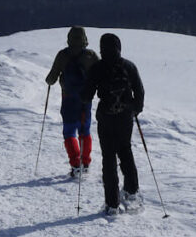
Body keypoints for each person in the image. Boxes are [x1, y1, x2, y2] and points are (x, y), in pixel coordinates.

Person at [82, 33, 144, 215]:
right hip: (125, 117)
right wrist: (135, 109)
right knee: (126, 150)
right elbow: (139, 91)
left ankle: (112, 204)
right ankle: (132, 192)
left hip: (106, 117)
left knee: (108, 158)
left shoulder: (97, 68)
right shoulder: (128, 66)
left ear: (101, 48)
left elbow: (86, 95)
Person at [45, 27, 99, 176]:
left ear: (69, 38)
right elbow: (100, 74)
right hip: (85, 100)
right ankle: (85, 162)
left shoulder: (63, 55)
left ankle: (76, 164)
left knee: (69, 132)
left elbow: (51, 79)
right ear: (84, 38)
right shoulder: (90, 55)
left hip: (68, 99)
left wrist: (49, 81)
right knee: (85, 131)